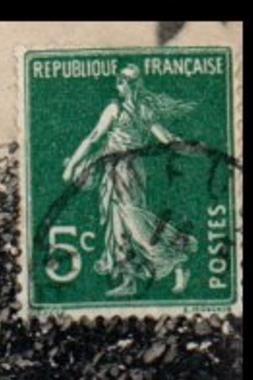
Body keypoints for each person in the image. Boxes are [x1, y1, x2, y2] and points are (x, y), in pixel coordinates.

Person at [61, 64, 196, 298]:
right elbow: (94, 137)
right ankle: (129, 280)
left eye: (131, 81)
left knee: (133, 221)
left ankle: (177, 260)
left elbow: (165, 137)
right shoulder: (118, 108)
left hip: (129, 170)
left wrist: (188, 147)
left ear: (136, 84)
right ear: (118, 83)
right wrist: (73, 164)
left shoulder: (139, 109)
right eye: (124, 80)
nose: (127, 85)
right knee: (117, 225)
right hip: (113, 170)